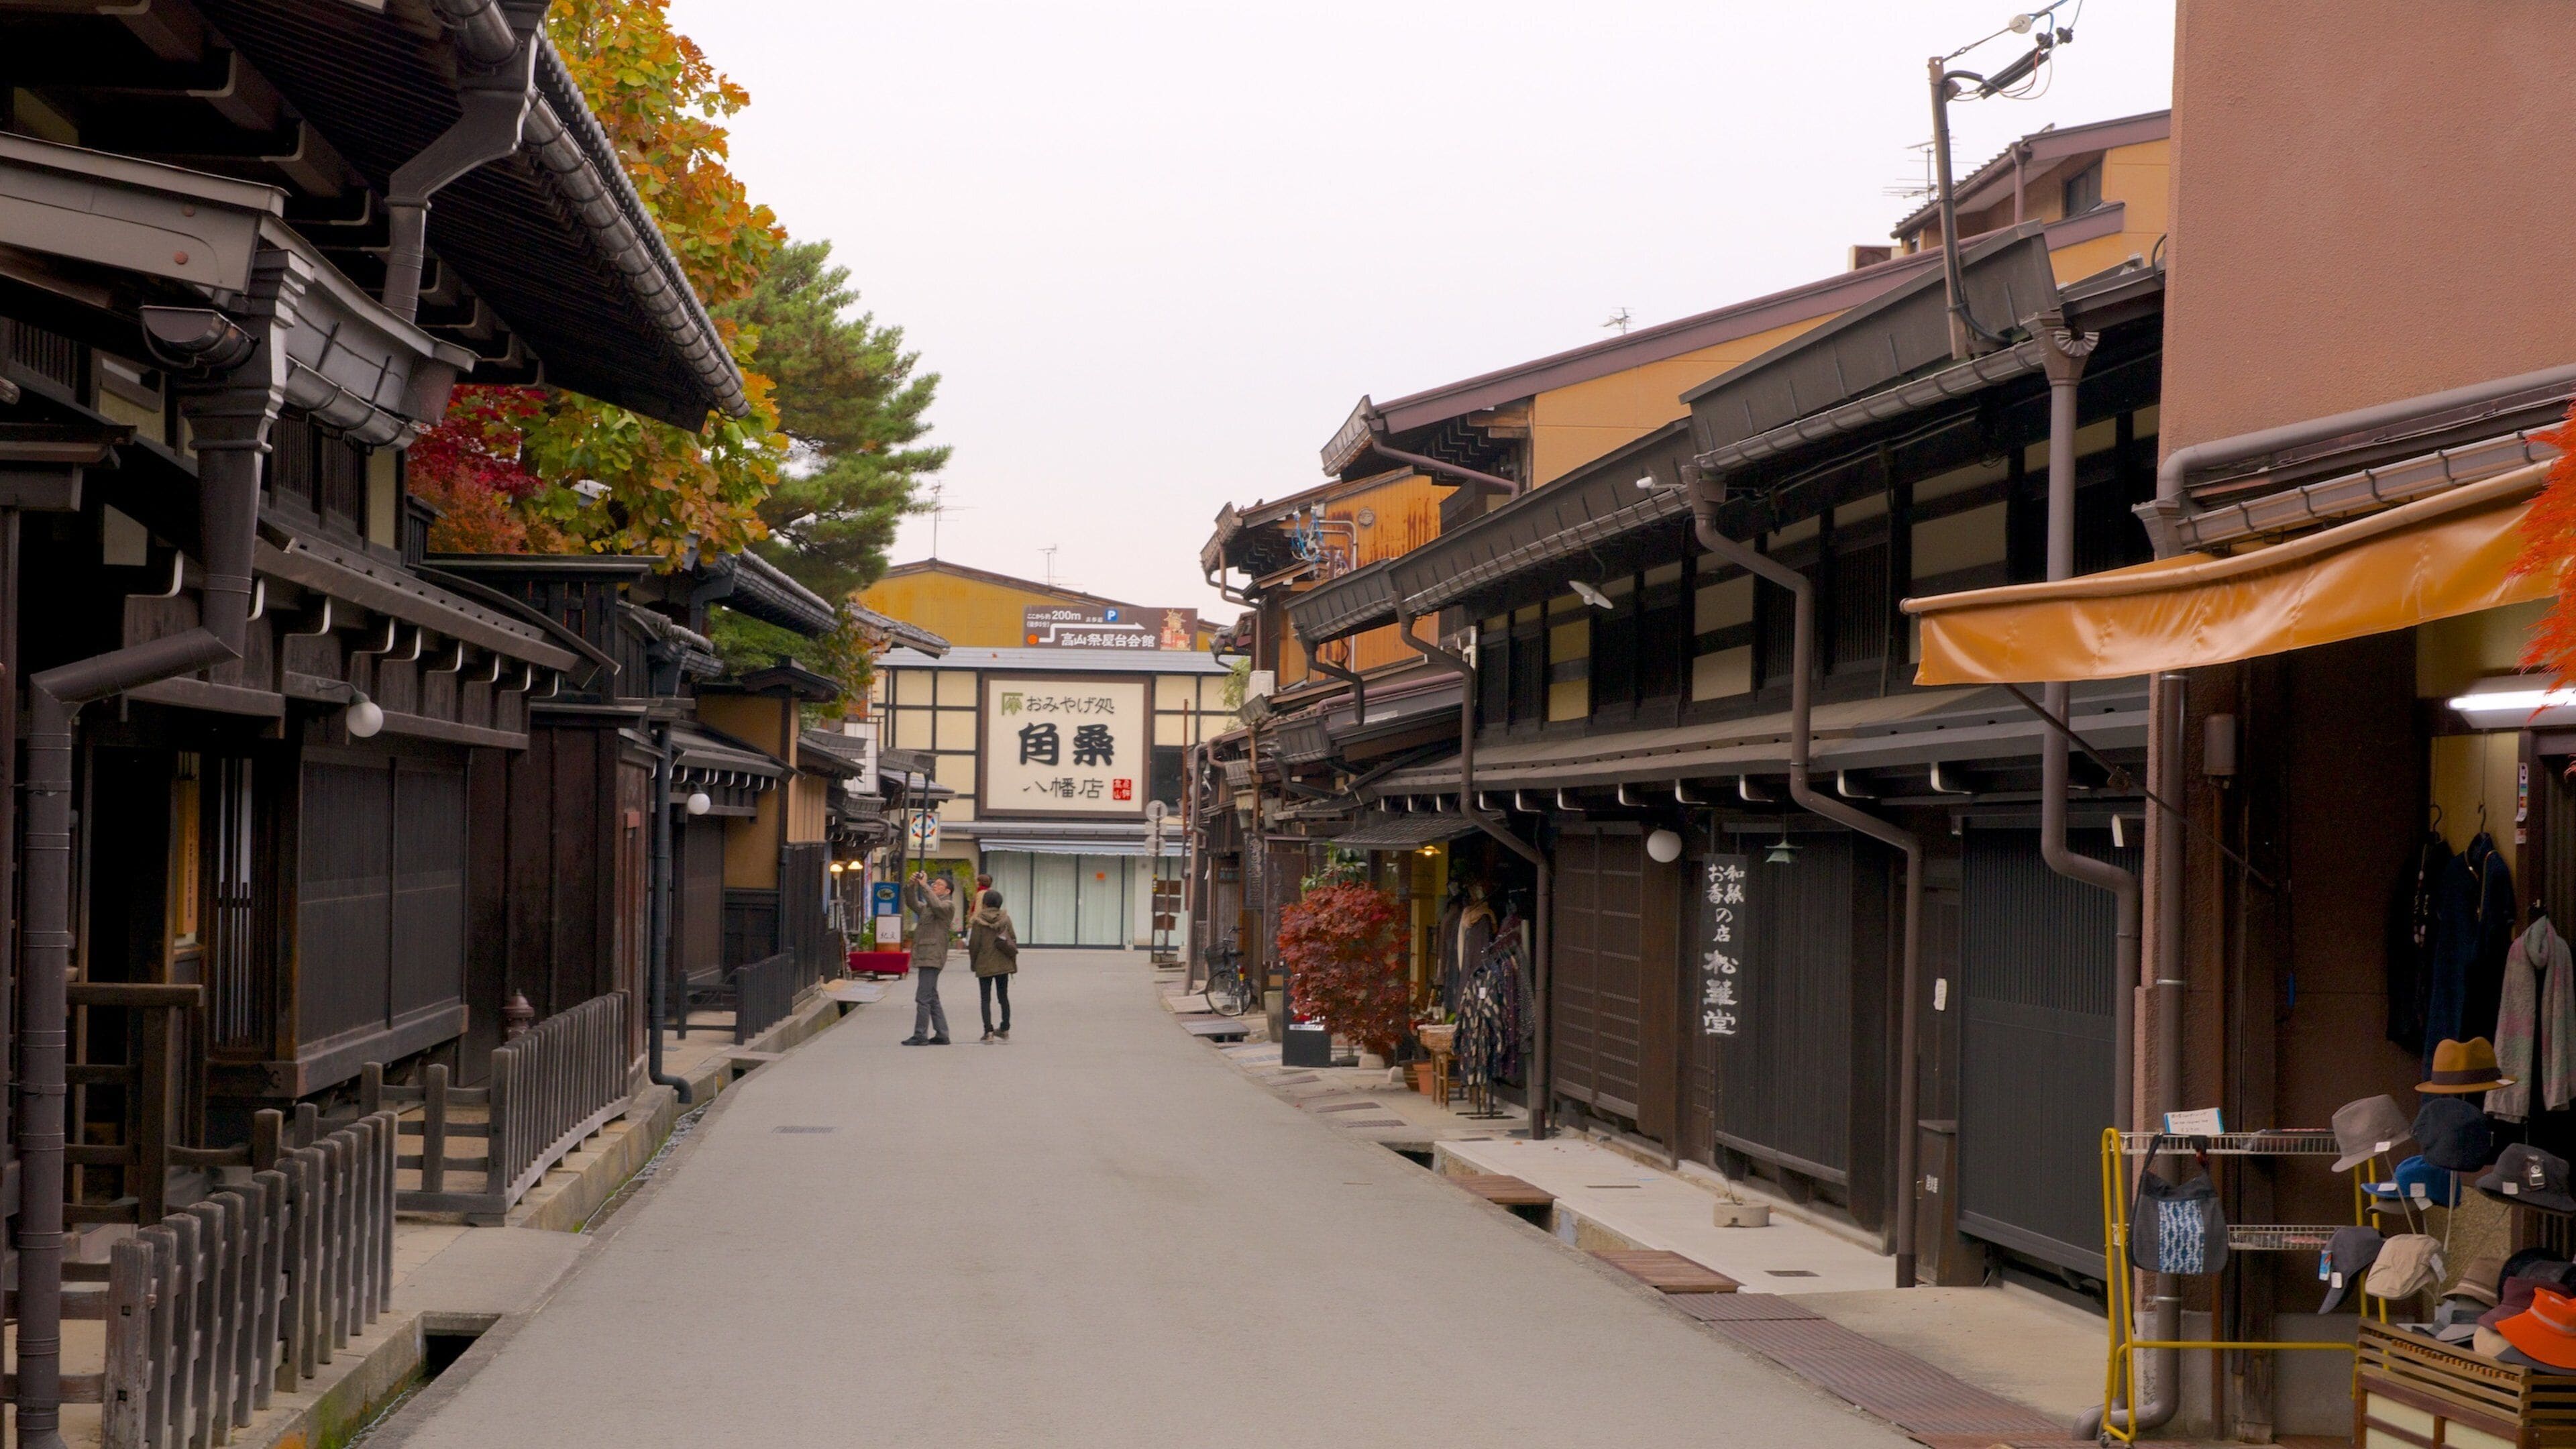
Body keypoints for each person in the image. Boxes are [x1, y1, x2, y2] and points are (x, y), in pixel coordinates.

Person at [901, 873, 956, 1045]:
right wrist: (912, 885)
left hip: (933, 955)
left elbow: (936, 904)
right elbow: (912, 903)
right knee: (932, 996)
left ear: (947, 891)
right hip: (926, 954)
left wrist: (924, 886)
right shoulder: (928, 908)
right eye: (934, 883)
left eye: (938, 884)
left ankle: (920, 1035)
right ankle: (942, 1034)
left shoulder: (948, 906)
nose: (934, 886)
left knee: (923, 997)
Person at [966, 888, 1019, 1042]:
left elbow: (974, 944)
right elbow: (1013, 939)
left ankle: (988, 1031)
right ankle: (1005, 1028)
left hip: (984, 963)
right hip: (1003, 962)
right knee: (1003, 997)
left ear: (984, 904)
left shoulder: (978, 921)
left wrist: (973, 963)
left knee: (985, 998)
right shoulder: (1006, 919)